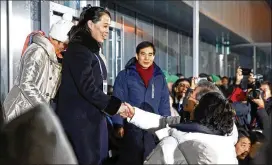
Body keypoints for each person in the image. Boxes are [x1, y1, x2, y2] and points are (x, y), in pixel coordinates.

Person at [56, 6, 129, 165]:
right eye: (104, 26)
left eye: (108, 27)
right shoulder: (79, 50)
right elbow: (87, 87)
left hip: (92, 120)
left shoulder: (91, 51)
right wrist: (114, 106)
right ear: (90, 24)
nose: (107, 31)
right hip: (81, 124)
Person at [126, 92, 238, 164]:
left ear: (202, 110)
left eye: (198, 102)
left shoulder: (174, 142)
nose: (193, 101)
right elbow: (163, 122)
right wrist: (134, 115)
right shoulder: (227, 142)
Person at [2, 14, 74, 123]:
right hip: (20, 112)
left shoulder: (54, 57)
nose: (65, 48)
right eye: (65, 45)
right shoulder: (38, 51)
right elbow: (26, 83)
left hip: (33, 114)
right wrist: (44, 108)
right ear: (58, 40)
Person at [111, 41, 171, 165]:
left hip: (153, 129)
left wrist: (167, 125)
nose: (146, 58)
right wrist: (118, 124)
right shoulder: (125, 75)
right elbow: (117, 99)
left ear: (154, 56)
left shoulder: (159, 77)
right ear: (137, 55)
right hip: (131, 128)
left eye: (150, 54)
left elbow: (164, 103)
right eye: (143, 54)